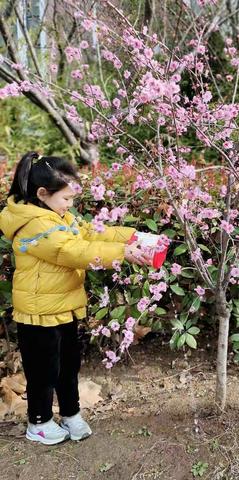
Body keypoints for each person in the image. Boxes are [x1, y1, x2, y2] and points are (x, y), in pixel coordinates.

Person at [0, 152, 151, 445]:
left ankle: (70, 414)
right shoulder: (34, 224)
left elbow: (92, 233)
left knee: (69, 365)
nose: (71, 205)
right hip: (37, 313)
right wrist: (122, 254)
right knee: (44, 372)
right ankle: (39, 422)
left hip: (64, 308)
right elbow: (72, 251)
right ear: (42, 194)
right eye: (66, 199)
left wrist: (131, 237)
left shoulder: (59, 215)